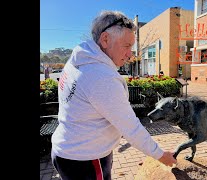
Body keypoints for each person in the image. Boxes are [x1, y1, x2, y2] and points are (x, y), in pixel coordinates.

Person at [51, 10, 177, 180]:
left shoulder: (78, 61)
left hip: (66, 150)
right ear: (105, 39)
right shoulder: (101, 77)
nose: (130, 54)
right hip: (86, 159)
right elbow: (131, 127)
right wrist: (161, 155)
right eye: (126, 46)